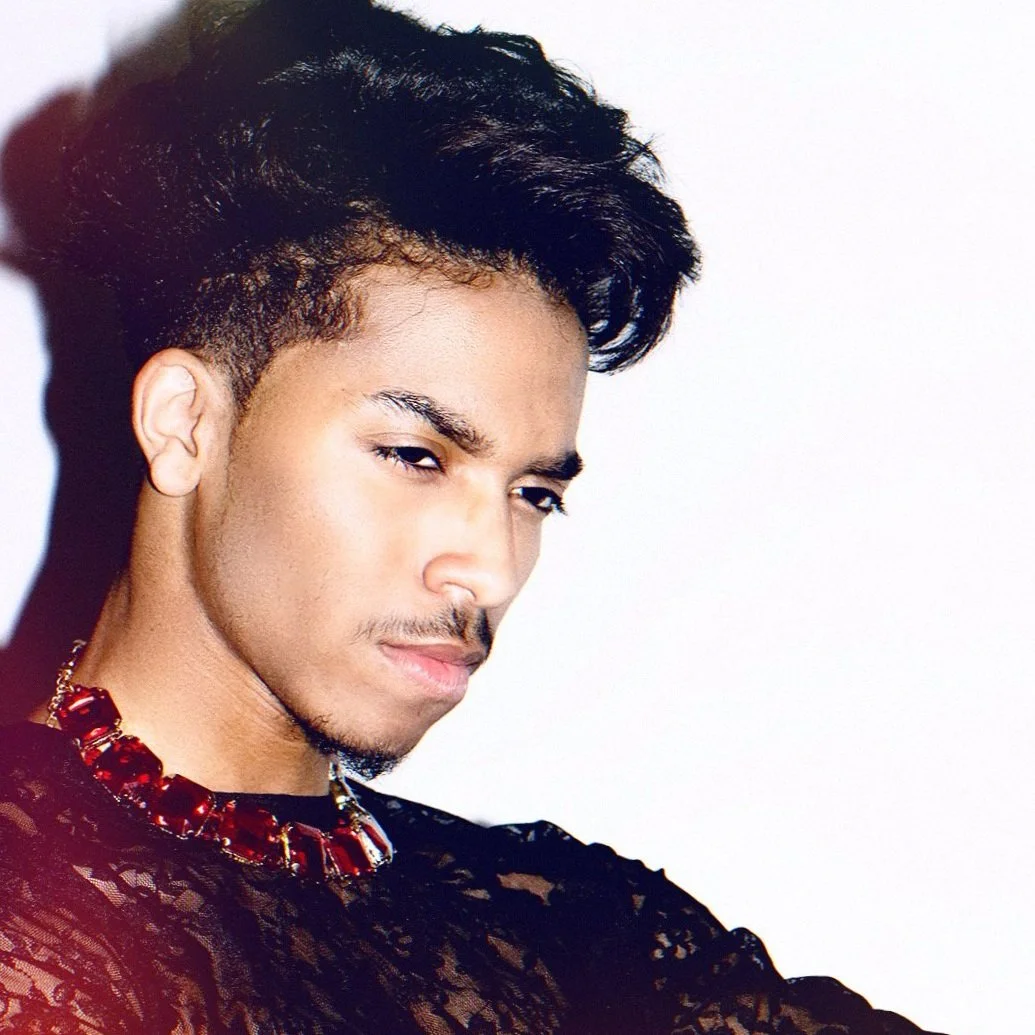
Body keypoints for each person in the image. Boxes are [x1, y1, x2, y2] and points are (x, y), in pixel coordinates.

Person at [0, 0, 944, 1031]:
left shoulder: (576, 932)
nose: (490, 569)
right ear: (187, 424)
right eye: (416, 456)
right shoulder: (30, 916)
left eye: (533, 492)